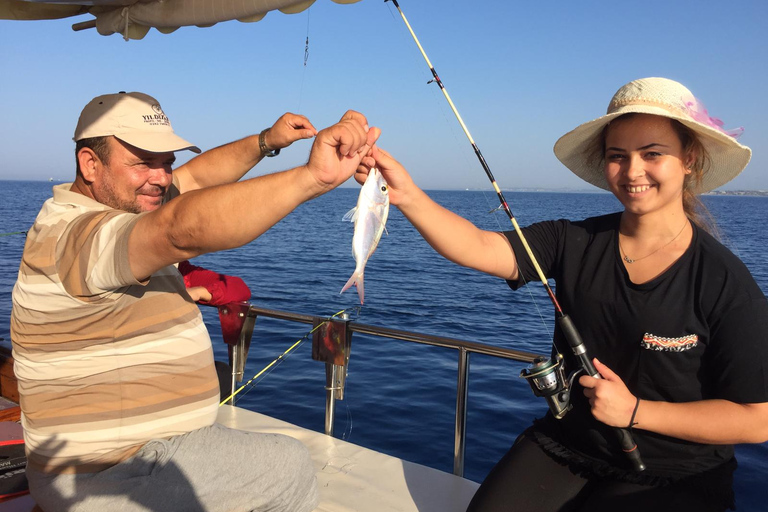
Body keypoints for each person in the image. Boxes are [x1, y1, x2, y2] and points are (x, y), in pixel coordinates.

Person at [357, 77, 768, 511]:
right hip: (569, 442)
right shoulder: (572, 240)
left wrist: (635, 412)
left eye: (653, 154)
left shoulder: (725, 280)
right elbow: (481, 247)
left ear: (688, 160)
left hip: (677, 472)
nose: (633, 171)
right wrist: (405, 195)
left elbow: (756, 419)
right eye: (617, 156)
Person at [11, 91, 379, 512]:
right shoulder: (80, 236)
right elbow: (176, 229)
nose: (162, 177)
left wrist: (267, 141)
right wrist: (312, 177)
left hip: (136, 454)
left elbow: (196, 181)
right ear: (90, 164)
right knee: (287, 467)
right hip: (112, 472)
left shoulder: (122, 204)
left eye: (165, 161)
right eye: (143, 162)